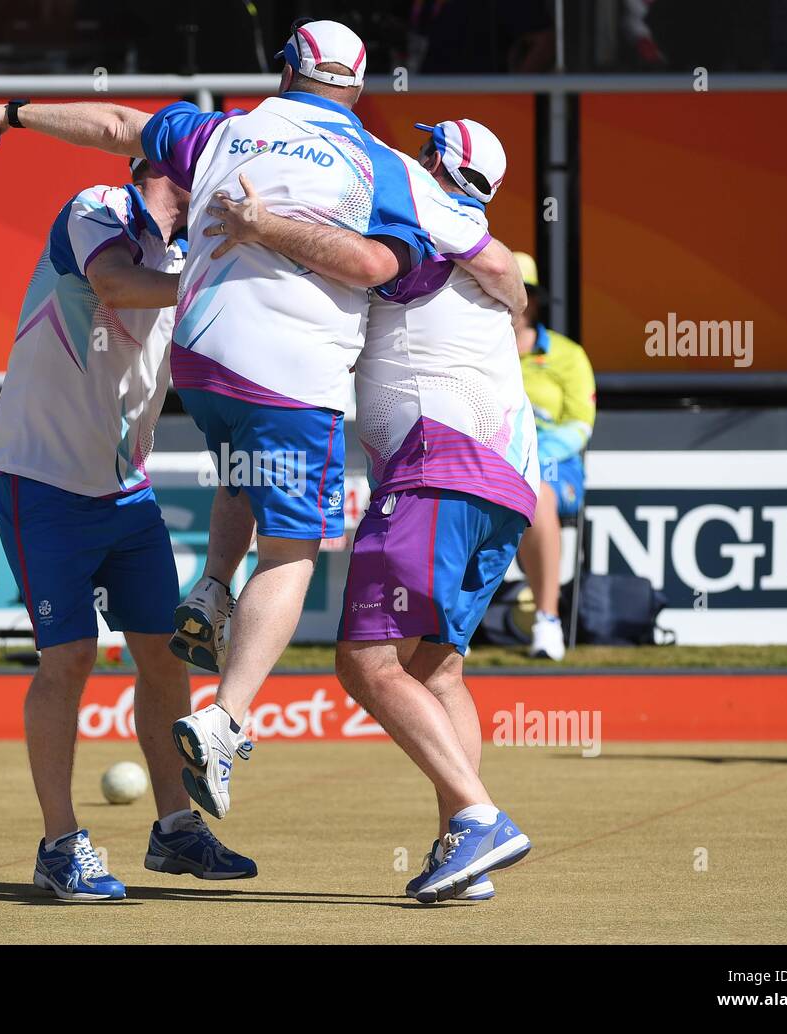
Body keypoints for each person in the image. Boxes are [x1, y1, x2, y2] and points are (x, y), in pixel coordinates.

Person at [0, 18, 493, 825]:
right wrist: (270, 234)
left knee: (246, 469)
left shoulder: (224, 133)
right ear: (356, 88)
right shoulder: (381, 164)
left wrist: (12, 111)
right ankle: (226, 719)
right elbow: (393, 261)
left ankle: (211, 592)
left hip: (205, 369)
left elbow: (115, 124)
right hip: (285, 377)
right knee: (293, 550)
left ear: (285, 70)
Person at [205, 117, 536, 903]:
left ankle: (480, 818)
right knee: (439, 669)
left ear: (435, 165)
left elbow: (351, 249)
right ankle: (467, 848)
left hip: (436, 465)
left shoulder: (421, 217)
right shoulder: (468, 239)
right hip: (499, 481)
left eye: (423, 152)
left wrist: (261, 224)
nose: (408, 159)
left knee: (364, 662)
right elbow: (498, 267)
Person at [0, 153, 255, 902]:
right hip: (38, 480)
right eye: (219, 163)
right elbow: (113, 284)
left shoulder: (190, 251)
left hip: (126, 493)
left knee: (165, 657)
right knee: (68, 661)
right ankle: (61, 845)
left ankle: (174, 831)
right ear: (176, 167)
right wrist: (214, 278)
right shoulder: (101, 205)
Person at [511, 251, 597, 661]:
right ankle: (450, 627)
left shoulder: (567, 354)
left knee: (537, 491)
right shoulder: (474, 349)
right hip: (491, 462)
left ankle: (547, 620)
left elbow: (581, 424)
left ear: (532, 300)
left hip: (552, 466)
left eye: (518, 292)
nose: (506, 299)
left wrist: (528, 452)